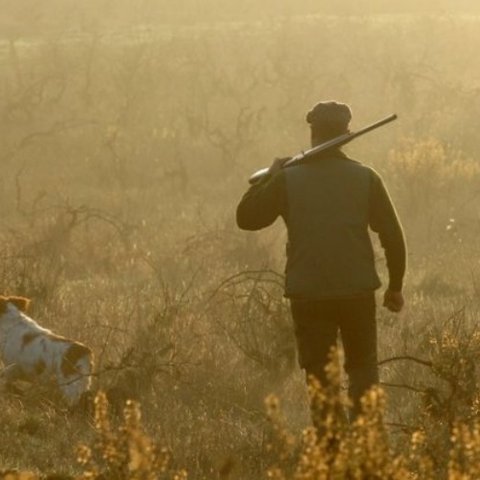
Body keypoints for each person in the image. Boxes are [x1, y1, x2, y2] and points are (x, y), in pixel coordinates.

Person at [236, 101, 406, 421]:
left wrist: (270, 176)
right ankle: (367, 452)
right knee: (363, 374)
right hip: (356, 293)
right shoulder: (366, 177)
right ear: (347, 134)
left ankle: (330, 455)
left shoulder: (287, 179)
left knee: (321, 381)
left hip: (309, 295)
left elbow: (246, 218)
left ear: (313, 133)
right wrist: (395, 287)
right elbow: (392, 235)